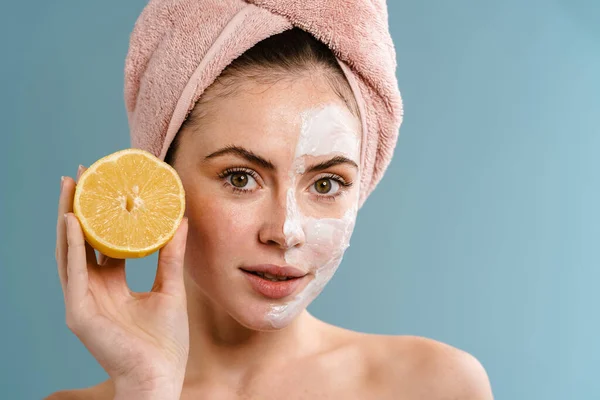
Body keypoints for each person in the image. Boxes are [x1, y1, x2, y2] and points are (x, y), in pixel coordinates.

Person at [49, 1, 493, 399]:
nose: (286, 232)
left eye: (326, 184)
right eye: (241, 178)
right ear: (161, 178)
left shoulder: (435, 386)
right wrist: (147, 388)